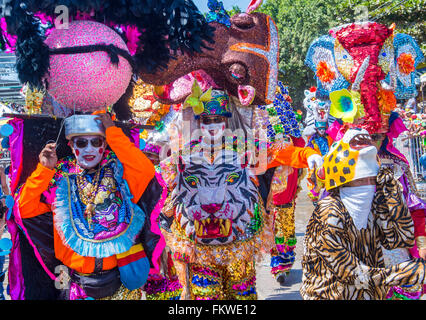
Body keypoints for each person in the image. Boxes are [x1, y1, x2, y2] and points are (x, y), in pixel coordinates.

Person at [160, 87, 322, 300]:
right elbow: (165, 184)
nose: (211, 126)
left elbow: (279, 152)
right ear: (199, 123)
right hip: (200, 247)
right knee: (205, 296)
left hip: (240, 241)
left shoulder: (244, 148)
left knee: (242, 295)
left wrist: (309, 155)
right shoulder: (185, 152)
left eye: (217, 119)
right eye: (206, 120)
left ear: (226, 121)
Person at [17, 113, 155, 300]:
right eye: (81, 143)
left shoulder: (119, 174)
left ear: (104, 145)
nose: (89, 149)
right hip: (72, 281)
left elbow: (144, 170)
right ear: (71, 146)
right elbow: (25, 209)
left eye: (96, 142)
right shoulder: (59, 179)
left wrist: (112, 133)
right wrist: (44, 170)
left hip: (117, 281)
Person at [301, 128, 426, 300]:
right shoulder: (328, 214)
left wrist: (394, 201)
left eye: (371, 181)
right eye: (359, 181)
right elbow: (352, 274)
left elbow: (401, 236)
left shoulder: (375, 206)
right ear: (342, 185)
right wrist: (411, 272)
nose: (367, 186)